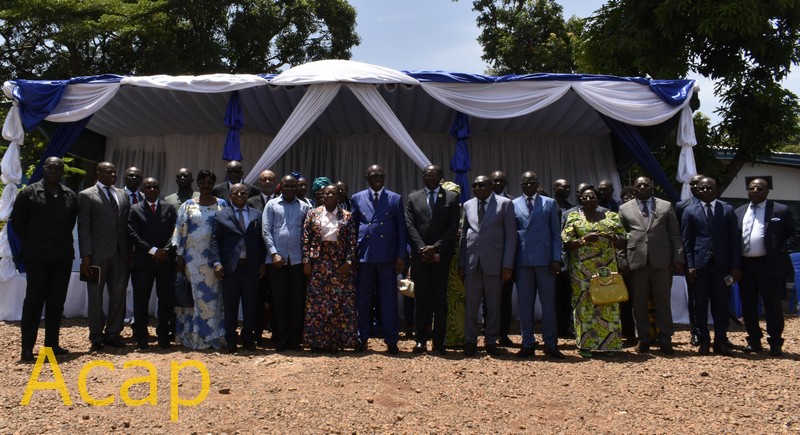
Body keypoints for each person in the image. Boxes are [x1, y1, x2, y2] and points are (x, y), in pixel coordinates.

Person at [11, 157, 78, 361]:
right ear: (44, 169)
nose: (54, 171)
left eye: (58, 168)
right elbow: (18, 224)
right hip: (37, 256)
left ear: (62, 171)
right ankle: (27, 347)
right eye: (50, 167)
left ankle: (52, 345)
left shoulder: (70, 195)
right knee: (34, 301)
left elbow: (70, 222)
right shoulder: (29, 193)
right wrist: (34, 242)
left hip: (62, 256)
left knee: (56, 302)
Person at [618, 177, 684, 355]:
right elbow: (620, 239)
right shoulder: (624, 208)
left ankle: (665, 339)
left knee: (662, 301)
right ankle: (644, 339)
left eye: (645, 184)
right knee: (638, 303)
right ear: (634, 188)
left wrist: (678, 258)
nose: (642, 187)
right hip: (636, 261)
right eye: (638, 185)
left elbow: (675, 234)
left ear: (652, 187)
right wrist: (622, 261)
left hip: (661, 261)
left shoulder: (665, 206)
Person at [735, 178, 799, 356]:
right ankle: (754, 340)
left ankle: (775, 342)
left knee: (772, 306)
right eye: (751, 188)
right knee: (748, 305)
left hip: (770, 265)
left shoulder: (780, 210)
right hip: (746, 265)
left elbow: (794, 232)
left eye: (759, 188)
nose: (755, 191)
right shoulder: (739, 212)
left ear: (767, 191)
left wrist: (784, 248)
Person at [561, 184, 626, 358]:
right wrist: (584, 240)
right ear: (580, 200)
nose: (589, 199)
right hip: (581, 270)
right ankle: (585, 345)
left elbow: (623, 241)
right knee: (583, 307)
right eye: (585, 197)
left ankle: (610, 345)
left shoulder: (611, 216)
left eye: (592, 196)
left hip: (606, 268)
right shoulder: (574, 217)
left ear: (598, 199)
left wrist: (614, 238)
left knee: (608, 303)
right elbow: (566, 244)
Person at [351, 164, 408, 355]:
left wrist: (401, 255)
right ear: (367, 177)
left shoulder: (395, 198)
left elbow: (402, 230)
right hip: (364, 256)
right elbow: (353, 228)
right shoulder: (357, 198)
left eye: (381, 175)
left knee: (388, 299)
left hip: (387, 257)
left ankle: (391, 339)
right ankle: (361, 337)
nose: (378, 178)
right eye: (374, 175)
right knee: (363, 299)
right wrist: (352, 255)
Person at [681, 177, 741, 356]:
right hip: (700, 267)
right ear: (697, 191)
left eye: (710, 187)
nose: (706, 190)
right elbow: (686, 241)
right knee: (699, 305)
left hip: (722, 267)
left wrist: (735, 266)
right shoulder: (689, 211)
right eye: (703, 188)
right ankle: (703, 341)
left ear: (716, 189)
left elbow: (735, 241)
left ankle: (720, 341)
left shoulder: (728, 209)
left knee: (721, 305)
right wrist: (689, 265)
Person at [458, 175, 517, 357]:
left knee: (493, 306)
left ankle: (491, 340)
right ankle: (470, 341)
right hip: (472, 263)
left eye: (481, 185)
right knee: (471, 306)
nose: (477, 188)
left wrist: (507, 264)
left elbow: (511, 236)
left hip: (495, 263)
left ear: (491, 186)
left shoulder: (505, 203)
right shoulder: (467, 205)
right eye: (474, 186)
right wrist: (461, 262)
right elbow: (463, 234)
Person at [405, 164, 460, 355]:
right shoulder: (413, 197)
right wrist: (421, 248)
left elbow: (453, 227)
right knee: (421, 299)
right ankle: (420, 340)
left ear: (441, 177)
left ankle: (438, 341)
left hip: (441, 256)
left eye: (434, 174)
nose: (430, 177)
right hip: (421, 257)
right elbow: (410, 225)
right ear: (422, 177)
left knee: (440, 300)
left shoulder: (451, 197)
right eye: (427, 174)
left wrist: (436, 247)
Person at [172, 169, 228, 349]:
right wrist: (179, 255)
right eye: (202, 183)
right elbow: (180, 231)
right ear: (198, 184)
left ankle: (213, 337)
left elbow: (227, 231)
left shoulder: (222, 205)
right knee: (194, 298)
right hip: (192, 260)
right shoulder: (188, 205)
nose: (206, 186)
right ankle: (194, 337)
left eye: (209, 183)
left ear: (213, 184)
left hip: (213, 260)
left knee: (214, 298)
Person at [78, 161, 131, 352]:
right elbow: (84, 229)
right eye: (109, 172)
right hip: (97, 255)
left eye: (115, 172)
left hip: (120, 254)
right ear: (98, 173)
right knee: (96, 297)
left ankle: (113, 333)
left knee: (118, 295)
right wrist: (86, 256)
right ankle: (96, 335)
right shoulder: (86, 195)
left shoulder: (122, 194)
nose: (113, 175)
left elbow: (125, 225)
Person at [512, 171, 563, 358]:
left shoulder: (549, 203)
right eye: (525, 182)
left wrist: (556, 258)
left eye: (532, 182)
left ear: (537, 183)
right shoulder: (514, 204)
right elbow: (512, 234)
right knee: (525, 305)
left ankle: (550, 343)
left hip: (545, 261)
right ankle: (527, 343)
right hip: (523, 261)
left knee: (548, 304)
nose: (528, 185)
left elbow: (556, 234)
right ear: (521, 184)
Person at [302, 184, 359, 353]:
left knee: (339, 303)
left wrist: (348, 262)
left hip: (339, 264)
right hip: (319, 263)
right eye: (326, 193)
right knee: (317, 304)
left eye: (333, 193)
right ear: (322, 195)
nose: (330, 196)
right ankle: (316, 342)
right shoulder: (313, 214)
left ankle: (336, 342)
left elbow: (351, 241)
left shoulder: (347, 216)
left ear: (338, 196)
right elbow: (306, 239)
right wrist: (306, 261)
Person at [213, 183, 267, 353]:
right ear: (230, 196)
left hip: (251, 268)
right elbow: (215, 241)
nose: (239, 196)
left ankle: (248, 339)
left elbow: (262, 241)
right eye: (235, 193)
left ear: (247, 194)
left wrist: (263, 263)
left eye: (243, 193)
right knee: (230, 306)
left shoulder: (257, 215)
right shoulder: (222, 215)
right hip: (230, 268)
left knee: (250, 306)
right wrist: (217, 263)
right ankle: (230, 340)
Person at [127, 177, 177, 349]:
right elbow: (133, 234)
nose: (152, 190)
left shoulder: (169, 208)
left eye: (155, 186)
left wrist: (165, 250)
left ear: (159, 188)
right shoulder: (135, 209)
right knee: (141, 299)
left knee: (165, 299)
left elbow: (175, 231)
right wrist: (153, 250)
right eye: (148, 187)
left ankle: (163, 335)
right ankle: (141, 335)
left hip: (165, 261)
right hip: (143, 261)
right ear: (143, 189)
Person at [263, 175, 311, 351]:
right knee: (279, 300)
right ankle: (281, 339)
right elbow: (266, 230)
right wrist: (274, 253)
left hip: (298, 261)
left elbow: (310, 234)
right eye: (286, 186)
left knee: (297, 301)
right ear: (280, 187)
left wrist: (307, 259)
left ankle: (295, 339)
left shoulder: (306, 206)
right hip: (277, 261)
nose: (290, 189)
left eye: (293, 186)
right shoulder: (272, 205)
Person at [246, 168, 277, 345]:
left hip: (277, 259)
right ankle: (256, 334)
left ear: (275, 182)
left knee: (277, 297)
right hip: (257, 259)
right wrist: (259, 260)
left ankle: (276, 333)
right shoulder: (250, 202)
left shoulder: (283, 201)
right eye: (263, 180)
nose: (267, 183)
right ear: (259, 183)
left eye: (270, 180)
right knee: (256, 299)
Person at [675, 173, 705, 346]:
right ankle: (695, 332)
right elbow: (680, 235)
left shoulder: (719, 205)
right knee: (695, 299)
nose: (696, 187)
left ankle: (720, 334)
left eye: (698, 184)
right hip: (692, 259)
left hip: (716, 260)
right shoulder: (682, 206)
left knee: (718, 300)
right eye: (693, 184)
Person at [489, 170, 515, 346]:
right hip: (487, 258)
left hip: (506, 258)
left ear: (506, 183)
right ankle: (488, 330)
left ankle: (503, 333)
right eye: (495, 180)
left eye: (501, 180)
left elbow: (512, 233)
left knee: (504, 298)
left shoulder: (512, 201)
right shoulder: (481, 199)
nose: (498, 183)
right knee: (487, 299)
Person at [553, 178, 575, 339]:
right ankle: (553, 328)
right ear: (555, 188)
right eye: (563, 186)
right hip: (552, 258)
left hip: (568, 259)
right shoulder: (549, 205)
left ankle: (564, 327)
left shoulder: (572, 209)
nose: (567, 189)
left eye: (568, 186)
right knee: (553, 296)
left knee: (566, 296)